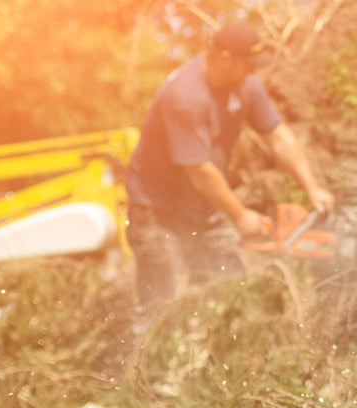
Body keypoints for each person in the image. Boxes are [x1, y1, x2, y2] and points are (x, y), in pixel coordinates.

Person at [125, 23, 333, 308]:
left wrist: (312, 188)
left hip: (204, 203)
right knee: (161, 305)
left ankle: (219, 346)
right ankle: (142, 349)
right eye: (248, 65)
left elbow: (278, 136)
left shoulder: (246, 85)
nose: (253, 72)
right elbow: (199, 170)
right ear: (225, 58)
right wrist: (239, 216)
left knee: (231, 290)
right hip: (158, 208)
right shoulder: (185, 97)